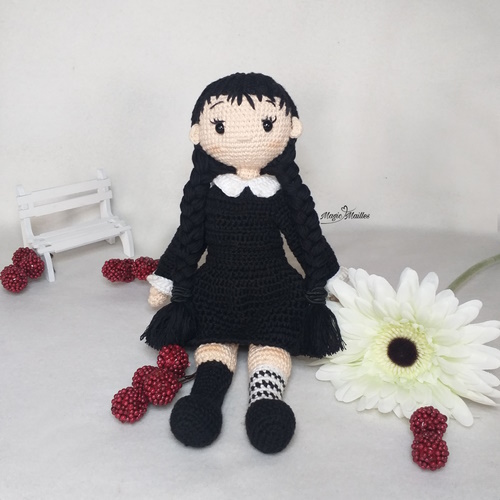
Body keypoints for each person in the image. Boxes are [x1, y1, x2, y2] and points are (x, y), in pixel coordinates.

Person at [142, 72, 344, 453]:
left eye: (267, 124)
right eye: (220, 126)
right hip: (217, 291)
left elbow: (305, 239)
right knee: (214, 346)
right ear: (199, 133)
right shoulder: (208, 195)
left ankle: (266, 399)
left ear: (290, 128)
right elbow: (187, 241)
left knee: (271, 344)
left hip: (274, 292)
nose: (245, 138)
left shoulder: (279, 195)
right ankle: (205, 397)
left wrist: (327, 277)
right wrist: (167, 280)